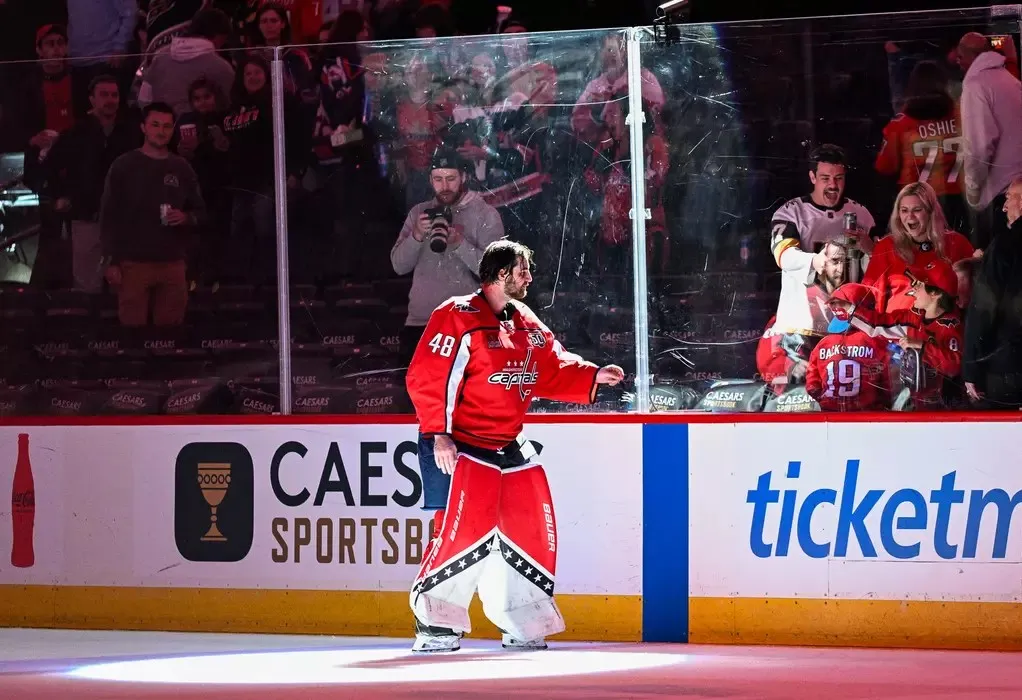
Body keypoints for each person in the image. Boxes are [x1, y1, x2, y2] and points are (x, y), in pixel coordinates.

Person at [405, 240, 625, 653]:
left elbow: (551, 364)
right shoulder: (455, 316)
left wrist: (593, 376)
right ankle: (436, 622)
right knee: (459, 531)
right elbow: (426, 377)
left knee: (531, 527)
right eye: (522, 270)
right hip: (458, 445)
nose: (529, 277)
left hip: (508, 443)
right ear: (501, 274)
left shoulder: (523, 319)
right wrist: (439, 434)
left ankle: (523, 619)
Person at [391, 148, 505, 365]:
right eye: (438, 179)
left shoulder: (485, 214)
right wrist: (416, 236)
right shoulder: (419, 213)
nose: (444, 186)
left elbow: (496, 274)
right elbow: (398, 266)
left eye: (451, 179)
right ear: (430, 180)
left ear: (464, 176)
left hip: (467, 324)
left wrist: (459, 244)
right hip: (420, 323)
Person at [99, 102, 206, 327]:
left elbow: (202, 212)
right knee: (132, 332)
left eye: (167, 126)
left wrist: (186, 217)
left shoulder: (182, 167)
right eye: (155, 125)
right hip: (133, 263)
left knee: (170, 336)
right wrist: (111, 261)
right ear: (143, 127)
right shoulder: (124, 165)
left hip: (173, 262)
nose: (161, 131)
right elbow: (109, 216)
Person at [862, 181, 974, 313]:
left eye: (917, 210)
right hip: (898, 329)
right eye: (904, 210)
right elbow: (870, 295)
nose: (910, 216)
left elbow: (973, 295)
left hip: (944, 328)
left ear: (930, 212)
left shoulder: (957, 243)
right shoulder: (886, 246)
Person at [957, 32, 1022, 249]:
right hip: (1015, 189)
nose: (957, 62)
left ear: (969, 56)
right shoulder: (1009, 80)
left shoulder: (976, 85)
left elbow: (979, 146)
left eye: (960, 56)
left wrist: (973, 192)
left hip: (1000, 195)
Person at [770, 144, 876, 274]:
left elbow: (883, 258)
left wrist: (872, 249)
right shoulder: (791, 213)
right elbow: (783, 255)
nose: (833, 185)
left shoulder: (861, 214)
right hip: (803, 294)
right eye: (825, 178)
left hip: (847, 294)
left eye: (839, 178)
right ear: (813, 177)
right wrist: (815, 261)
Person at [963, 176, 1022, 406]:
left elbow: (983, 310)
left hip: (1007, 371)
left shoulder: (1005, 245)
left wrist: (971, 368)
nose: (1005, 206)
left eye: (1009, 198)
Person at [805, 283, 891, 412]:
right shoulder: (876, 342)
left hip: (831, 417)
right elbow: (888, 385)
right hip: (867, 416)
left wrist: (826, 401)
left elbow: (812, 385)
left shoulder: (822, 344)